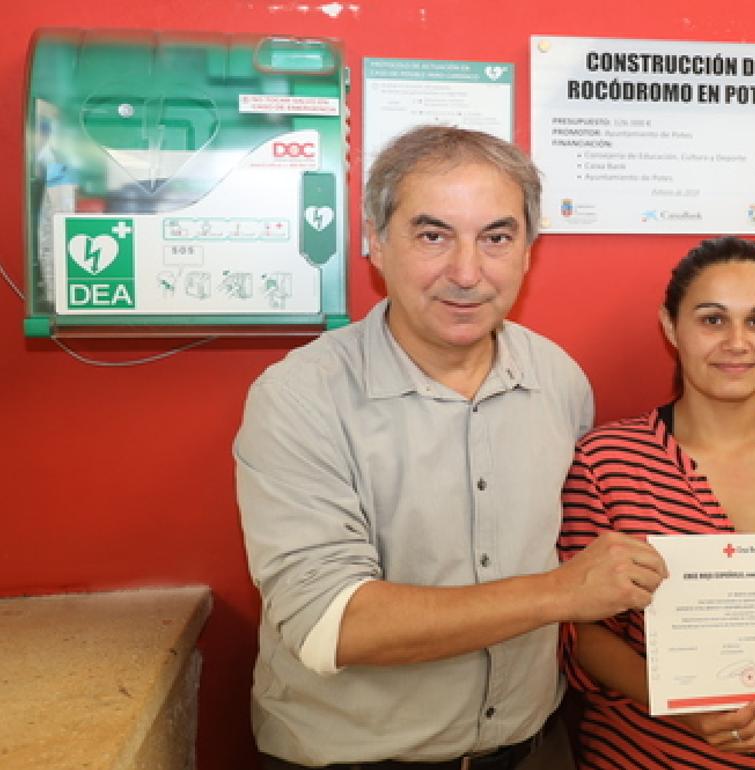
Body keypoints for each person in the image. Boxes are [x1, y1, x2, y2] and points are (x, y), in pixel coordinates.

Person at [235, 125, 667, 769]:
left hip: (532, 747)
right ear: (376, 242)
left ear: (529, 251)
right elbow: (332, 624)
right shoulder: (299, 397)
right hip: (355, 759)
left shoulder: (558, 381)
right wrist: (560, 593)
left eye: (496, 237)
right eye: (433, 235)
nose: (467, 273)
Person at [558, 236, 755, 769]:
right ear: (670, 327)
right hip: (644, 756)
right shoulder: (605, 460)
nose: (737, 342)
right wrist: (684, 707)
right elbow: (584, 632)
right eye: (712, 320)